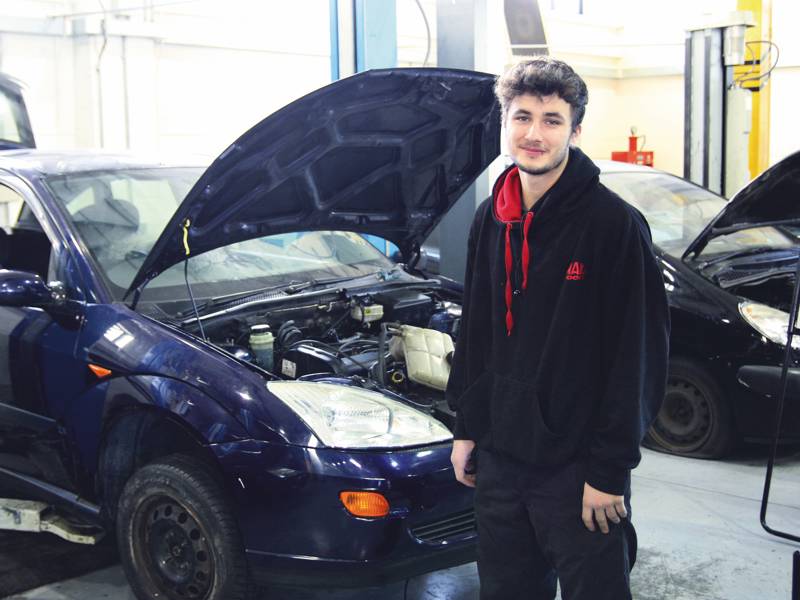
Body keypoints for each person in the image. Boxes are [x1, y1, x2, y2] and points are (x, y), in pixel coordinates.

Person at [446, 56, 670, 600]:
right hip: (500, 459)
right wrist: (467, 426)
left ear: (575, 129)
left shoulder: (612, 225)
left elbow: (636, 357)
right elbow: (473, 331)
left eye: (551, 119)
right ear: (505, 123)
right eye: (522, 117)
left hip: (577, 470)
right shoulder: (490, 218)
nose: (534, 133)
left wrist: (609, 471)